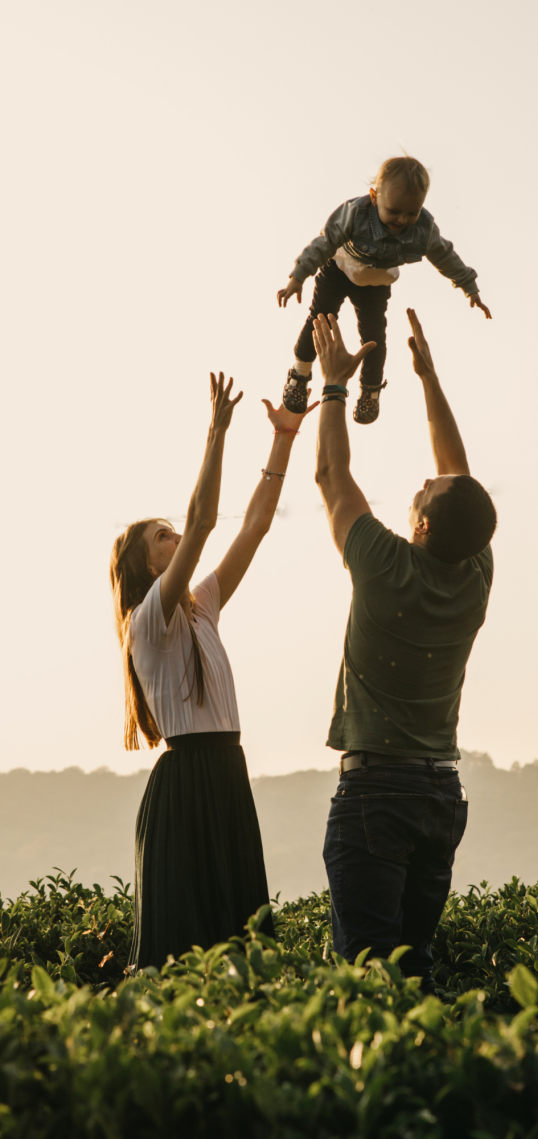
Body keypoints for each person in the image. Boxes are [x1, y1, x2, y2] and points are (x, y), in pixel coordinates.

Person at [310, 308, 497, 992]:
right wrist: (428, 379)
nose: (422, 480)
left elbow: (331, 477)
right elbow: (461, 480)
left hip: (377, 792)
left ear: (419, 524)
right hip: (439, 793)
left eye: (422, 491)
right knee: (414, 971)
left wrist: (333, 386)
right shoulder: (474, 572)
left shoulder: (385, 565)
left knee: (365, 978)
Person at [109, 373, 312, 970]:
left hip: (226, 773)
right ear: (144, 564)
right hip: (187, 784)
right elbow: (204, 523)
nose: (176, 538)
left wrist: (284, 440)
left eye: (171, 532)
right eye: (162, 536)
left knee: (242, 945)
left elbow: (253, 527)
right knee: (185, 951)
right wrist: (217, 433)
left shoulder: (202, 607)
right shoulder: (149, 618)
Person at [276, 155, 491, 425]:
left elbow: (445, 256)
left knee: (374, 336)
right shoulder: (355, 212)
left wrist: (469, 287)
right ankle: (300, 373)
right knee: (320, 318)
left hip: (375, 282)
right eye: (395, 211)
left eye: (412, 213)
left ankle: (370, 390)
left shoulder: (423, 230)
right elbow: (325, 241)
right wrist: (298, 275)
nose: (402, 219)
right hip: (339, 268)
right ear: (374, 196)